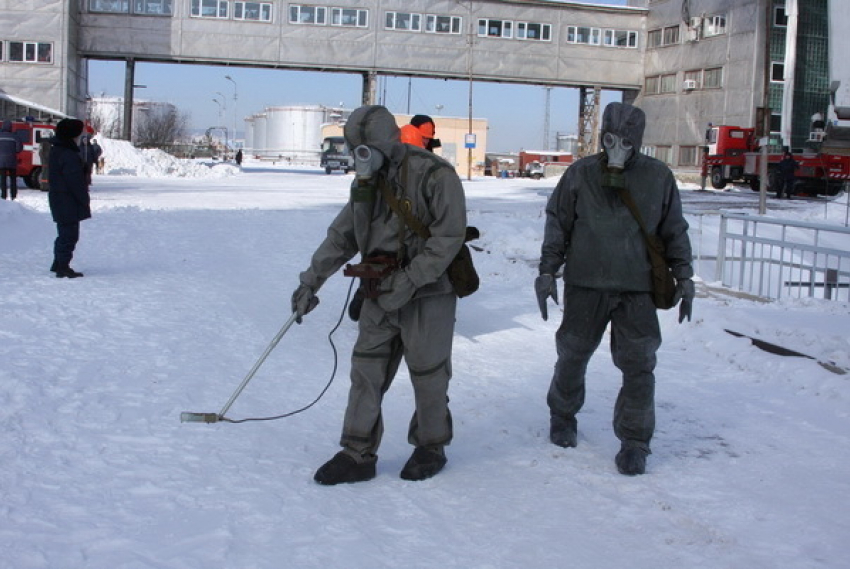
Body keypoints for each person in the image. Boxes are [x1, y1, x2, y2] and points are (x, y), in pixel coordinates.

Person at [291, 105, 467, 485]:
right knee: (366, 371)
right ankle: (357, 453)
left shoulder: (435, 175)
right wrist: (310, 282)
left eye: (365, 150)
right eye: (356, 152)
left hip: (428, 294)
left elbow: (448, 238)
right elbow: (343, 235)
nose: (360, 161)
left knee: (429, 373)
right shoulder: (365, 185)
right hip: (379, 293)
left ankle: (431, 446)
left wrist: (409, 280)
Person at [536, 102, 695, 476]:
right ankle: (562, 415)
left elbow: (674, 229)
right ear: (601, 137)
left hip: (636, 289)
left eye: (625, 141)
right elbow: (558, 223)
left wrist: (685, 276)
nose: (616, 149)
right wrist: (547, 271)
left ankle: (635, 441)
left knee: (640, 366)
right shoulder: (580, 174)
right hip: (585, 285)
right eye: (610, 139)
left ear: (637, 141)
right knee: (572, 355)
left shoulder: (658, 177)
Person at [48, 118, 91, 279]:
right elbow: (75, 181)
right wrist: (84, 199)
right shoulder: (68, 154)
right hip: (67, 200)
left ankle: (58, 263)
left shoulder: (58, 149)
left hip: (59, 198)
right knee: (69, 235)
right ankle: (63, 266)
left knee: (64, 233)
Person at [0, 119, 23, 200]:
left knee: (3, 179)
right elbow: (19, 148)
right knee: (13, 179)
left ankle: (3, 196)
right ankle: (13, 195)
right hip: (12, 161)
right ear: (10, 127)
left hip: (1, 161)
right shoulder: (14, 137)